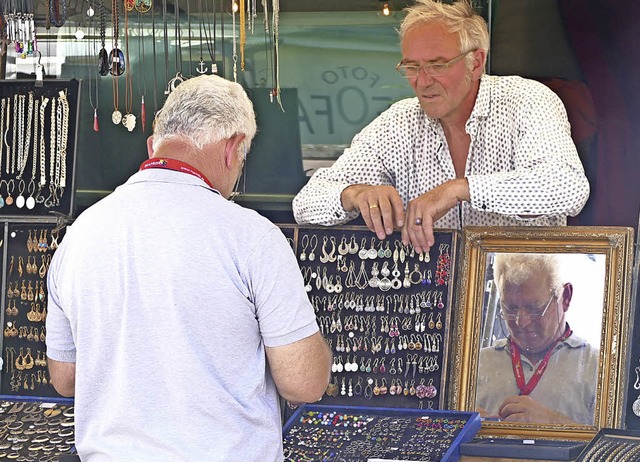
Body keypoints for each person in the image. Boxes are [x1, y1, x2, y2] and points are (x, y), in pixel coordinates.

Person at [45, 75, 332, 460]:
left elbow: (66, 378)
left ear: (153, 146)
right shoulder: (252, 237)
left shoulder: (78, 237)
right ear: (233, 148)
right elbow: (304, 384)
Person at [292, 0, 589, 255]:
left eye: (437, 65)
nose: (422, 81)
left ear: (476, 63)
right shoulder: (399, 123)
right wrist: (354, 194)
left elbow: (568, 187)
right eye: (411, 67)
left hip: (519, 296)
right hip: (431, 302)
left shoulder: (526, 100)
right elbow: (305, 204)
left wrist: (458, 190)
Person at [475, 253, 598, 425]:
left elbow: (620, 448)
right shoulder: (474, 366)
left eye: (534, 308)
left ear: (565, 298)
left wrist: (552, 423)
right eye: (510, 308)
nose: (521, 322)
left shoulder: (600, 369)